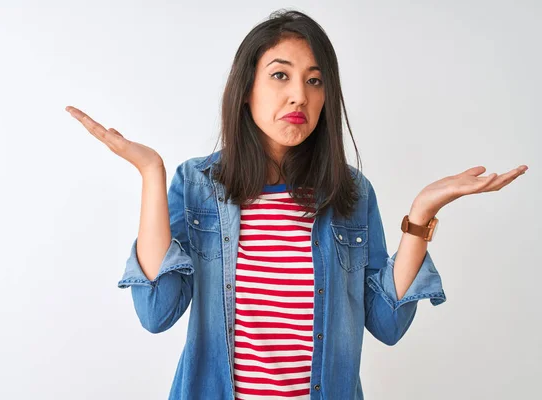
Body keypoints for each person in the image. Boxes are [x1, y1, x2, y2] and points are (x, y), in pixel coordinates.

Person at [65, 9, 528, 400]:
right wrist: (152, 174)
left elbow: (387, 322)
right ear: (247, 88)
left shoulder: (350, 194)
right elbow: (156, 313)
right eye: (281, 75)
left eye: (315, 80)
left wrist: (422, 214)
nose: (299, 96)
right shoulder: (198, 185)